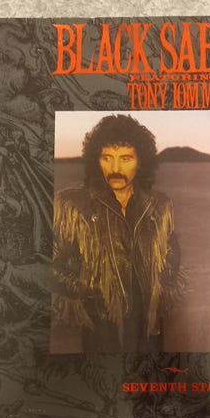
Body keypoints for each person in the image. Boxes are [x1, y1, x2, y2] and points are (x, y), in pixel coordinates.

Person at [52, 114, 183, 353]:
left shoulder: (159, 205)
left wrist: (161, 286)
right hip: (100, 324)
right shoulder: (73, 205)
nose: (115, 169)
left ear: (140, 161)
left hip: (147, 323)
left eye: (125, 159)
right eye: (106, 158)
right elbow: (52, 262)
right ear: (96, 159)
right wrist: (85, 287)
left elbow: (171, 249)